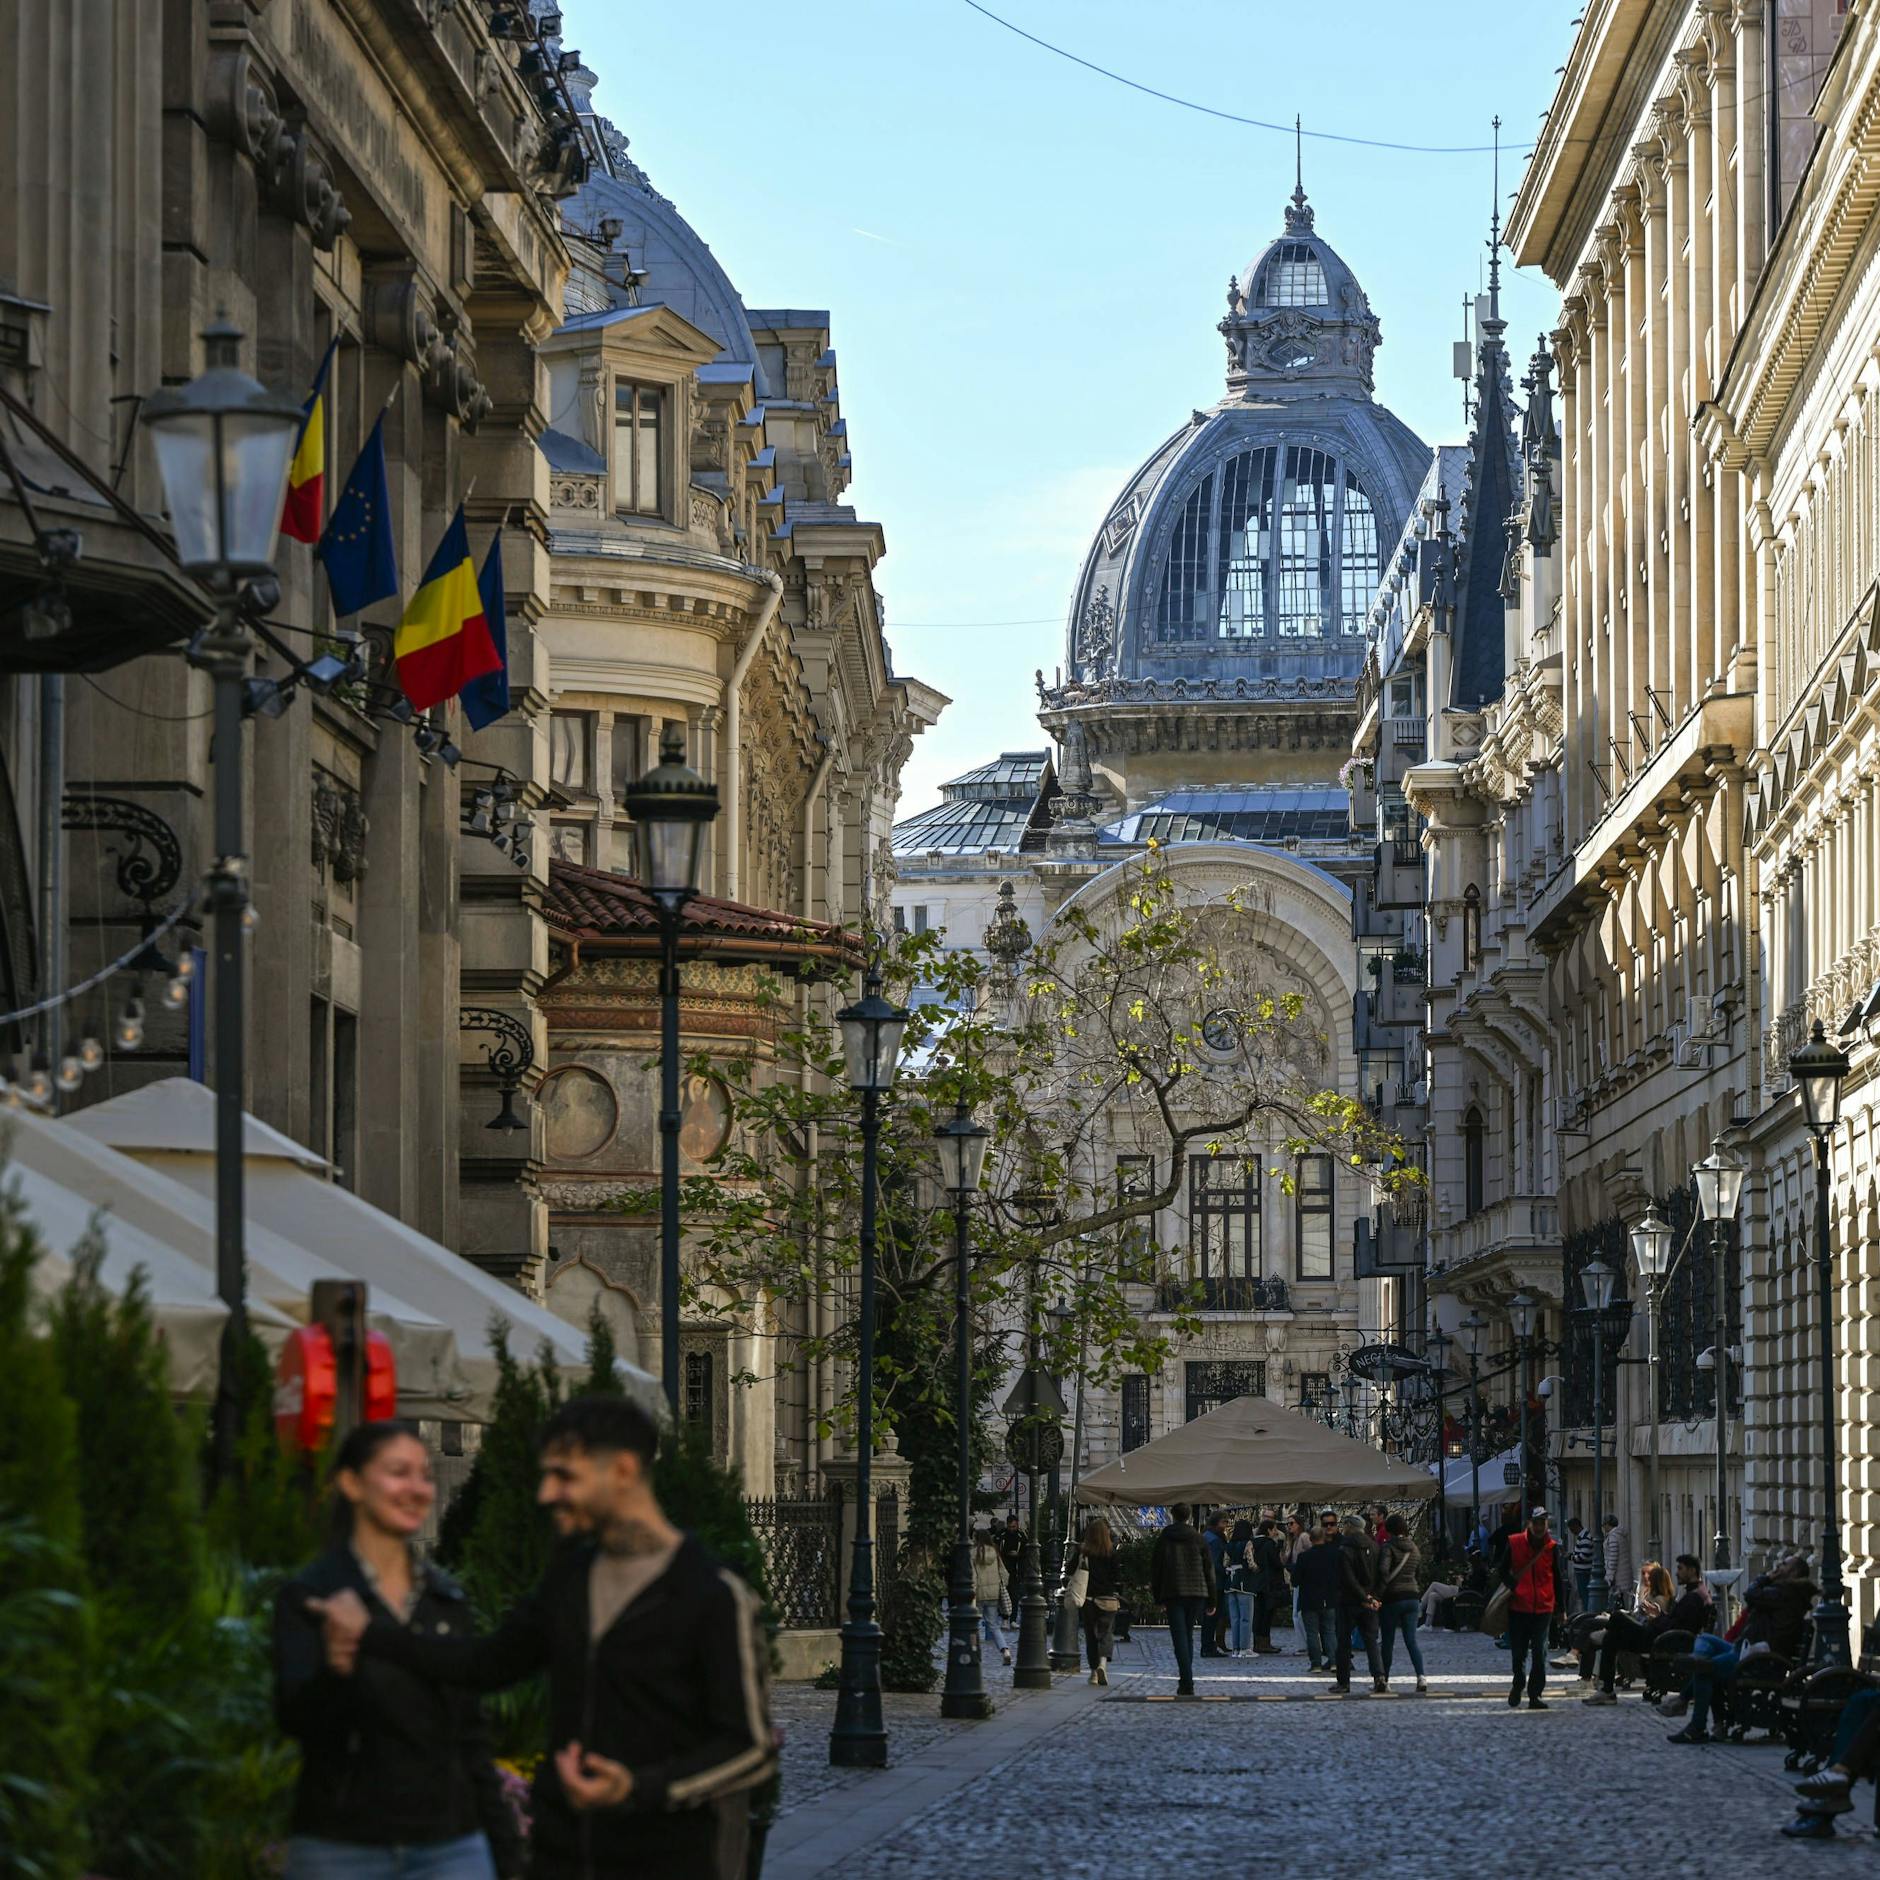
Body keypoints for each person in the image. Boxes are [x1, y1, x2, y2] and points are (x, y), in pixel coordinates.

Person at [308, 1395, 775, 1880]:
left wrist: (640, 1788)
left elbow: (751, 1748)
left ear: (622, 1470)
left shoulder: (713, 1594)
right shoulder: (571, 1578)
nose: (547, 1493)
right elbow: (484, 1664)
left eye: (564, 1476)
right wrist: (371, 1633)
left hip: (669, 1860)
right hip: (562, 1855)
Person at [274, 1421, 523, 1880]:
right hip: (343, 1844)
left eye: (425, 1475)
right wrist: (337, 1668)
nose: (417, 1488)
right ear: (351, 1482)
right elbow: (296, 1718)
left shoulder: (445, 1600)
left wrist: (505, 1854)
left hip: (450, 1845)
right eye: (398, 1472)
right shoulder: (312, 1595)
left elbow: (470, 1737)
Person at [1663, 1553, 1815, 1744]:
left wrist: (1767, 1577)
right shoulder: (1783, 1592)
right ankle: (1693, 1684)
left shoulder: (1785, 1593)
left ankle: (1695, 1722)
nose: (1778, 1566)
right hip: (1747, 1649)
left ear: (1792, 1573)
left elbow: (1750, 1594)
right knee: (1705, 1641)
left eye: (1784, 1564)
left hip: (1757, 1658)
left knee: (1704, 1668)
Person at [1580, 1553, 1711, 1705]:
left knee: (1618, 1617)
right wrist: (1659, 1614)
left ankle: (1595, 1645)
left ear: (1692, 1570)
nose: (1676, 1573)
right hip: (1660, 1635)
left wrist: (1658, 1618)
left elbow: (1676, 1627)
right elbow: (1676, 1622)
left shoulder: (1694, 1597)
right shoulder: (1696, 1593)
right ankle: (1607, 1690)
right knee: (1611, 1638)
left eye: (1680, 1569)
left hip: (1661, 1640)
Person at [1495, 1506, 1566, 1709]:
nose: (1539, 1526)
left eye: (1542, 1523)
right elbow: (1501, 1569)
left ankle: (1535, 1694)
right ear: (1530, 1524)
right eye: (1536, 1522)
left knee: (1539, 1652)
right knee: (1518, 1653)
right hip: (1518, 1607)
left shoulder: (1552, 1547)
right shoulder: (1515, 1542)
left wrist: (1561, 1608)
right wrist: (1514, 1586)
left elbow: (1557, 1578)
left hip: (1543, 1607)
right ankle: (1518, 1684)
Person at [1150, 1503, 1217, 1697]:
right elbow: (1208, 1570)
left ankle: (1186, 1680)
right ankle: (1186, 1678)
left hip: (1173, 1591)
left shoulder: (1165, 1538)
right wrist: (1212, 1600)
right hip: (1196, 1591)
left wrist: (1158, 1596)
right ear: (1188, 1516)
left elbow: (1157, 1568)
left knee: (1179, 1636)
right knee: (1187, 1634)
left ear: (1173, 1515)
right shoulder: (1198, 1538)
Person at [1375, 1512, 1428, 1694]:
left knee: (1388, 1641)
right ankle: (1421, 1677)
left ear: (1389, 1530)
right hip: (1412, 1597)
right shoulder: (1414, 1548)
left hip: (1393, 1598)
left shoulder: (1388, 1547)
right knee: (1411, 1640)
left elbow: (1383, 1570)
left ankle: (1384, 1680)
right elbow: (1419, 1572)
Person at [1334, 1513, 1385, 1695]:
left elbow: (1348, 1578)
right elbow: (1382, 1574)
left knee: (1343, 1642)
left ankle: (1344, 1682)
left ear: (1349, 1527)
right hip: (1369, 1602)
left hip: (1349, 1602)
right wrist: (1374, 1597)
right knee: (1371, 1640)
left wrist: (1364, 1597)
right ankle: (1379, 1676)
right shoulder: (1374, 1546)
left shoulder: (1344, 1548)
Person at [1292, 1522, 1343, 1672]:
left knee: (1312, 1633)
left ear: (1311, 1539)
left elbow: (1295, 1580)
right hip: (1330, 1598)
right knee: (1330, 1631)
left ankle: (1316, 1664)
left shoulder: (1304, 1557)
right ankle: (1334, 1661)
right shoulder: (1334, 1554)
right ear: (1324, 1537)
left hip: (1310, 1600)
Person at [1079, 1516, 1123, 1685]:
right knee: (1106, 1633)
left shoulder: (1084, 1551)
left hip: (1088, 1598)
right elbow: (1117, 1577)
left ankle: (1093, 1673)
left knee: (1091, 1635)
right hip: (1107, 1598)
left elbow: (1069, 1569)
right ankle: (1103, 1664)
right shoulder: (1112, 1553)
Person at [972, 1528, 1013, 1667]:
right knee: (994, 1626)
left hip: (978, 1594)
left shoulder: (973, 1553)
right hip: (994, 1593)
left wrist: (972, 1591)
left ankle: (974, 1652)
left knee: (973, 1625)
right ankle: (1005, 1650)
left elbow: (973, 1576)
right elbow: (1004, 1573)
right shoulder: (995, 1552)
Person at [1248, 1517, 1285, 1653]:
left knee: (1258, 1613)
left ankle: (1257, 1642)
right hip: (1269, 1583)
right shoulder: (1269, 1544)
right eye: (1274, 1529)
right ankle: (1264, 1643)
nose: (1276, 1532)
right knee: (1267, 1614)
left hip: (1256, 1583)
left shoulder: (1253, 1543)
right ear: (1268, 1530)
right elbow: (1276, 1563)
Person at [1199, 1513, 1232, 1657]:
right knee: (1211, 1617)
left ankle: (1208, 1646)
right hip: (1215, 1583)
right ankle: (1208, 1647)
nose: (1225, 1526)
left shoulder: (1205, 1536)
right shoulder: (1214, 1540)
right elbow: (1214, 1563)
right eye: (1224, 1522)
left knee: (1208, 1617)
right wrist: (1226, 1571)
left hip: (1206, 1582)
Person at [1225, 1517, 1257, 1654]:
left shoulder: (1229, 1545)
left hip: (1230, 1582)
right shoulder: (1247, 1544)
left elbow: (1225, 1563)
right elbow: (1251, 1563)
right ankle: (1245, 1648)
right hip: (1244, 1582)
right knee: (1246, 1617)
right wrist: (1257, 1568)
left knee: (1235, 1618)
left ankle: (1236, 1648)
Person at [1282, 1513, 1314, 1646]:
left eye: (1291, 1523)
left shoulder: (1304, 1537)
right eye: (1287, 1524)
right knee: (1296, 1613)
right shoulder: (1291, 1540)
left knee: (1299, 1613)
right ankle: (1303, 1643)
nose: (1289, 1526)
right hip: (1296, 1577)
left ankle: (1305, 1643)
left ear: (1299, 1524)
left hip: (1304, 1578)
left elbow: (1312, 1553)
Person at [998, 1512, 1027, 1619]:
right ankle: (1004, 1617)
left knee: (1014, 1595)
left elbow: (1026, 1551)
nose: (1011, 1529)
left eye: (1014, 1526)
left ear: (1017, 1525)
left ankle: (1013, 1618)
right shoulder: (1001, 1535)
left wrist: (1018, 1555)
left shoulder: (1021, 1536)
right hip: (1003, 1567)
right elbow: (997, 1548)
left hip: (1015, 1569)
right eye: (1010, 1527)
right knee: (1003, 1595)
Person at [1602, 1514, 1633, 1608]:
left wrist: (1609, 1578)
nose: (1603, 1527)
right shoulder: (1619, 1536)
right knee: (1621, 1602)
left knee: (1616, 1603)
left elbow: (1613, 1559)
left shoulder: (1613, 1538)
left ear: (1608, 1525)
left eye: (1604, 1525)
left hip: (1618, 1577)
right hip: (1623, 1575)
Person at [1565, 1516, 1594, 1612]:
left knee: (1584, 1593)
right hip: (1581, 1570)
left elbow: (1583, 1556)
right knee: (1583, 1593)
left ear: (1576, 1526)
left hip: (1583, 1570)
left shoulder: (1585, 1538)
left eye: (1571, 1529)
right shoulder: (1582, 1537)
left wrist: (1570, 1557)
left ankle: (1587, 1612)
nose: (1571, 1531)